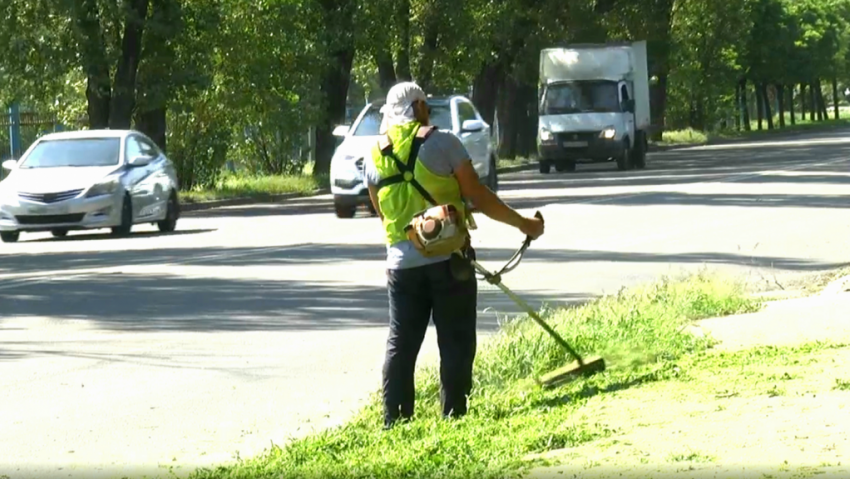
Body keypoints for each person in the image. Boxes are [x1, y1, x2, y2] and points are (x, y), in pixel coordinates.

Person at [363, 81, 545, 429]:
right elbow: (478, 195)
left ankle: (395, 422)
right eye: (425, 105)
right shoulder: (443, 142)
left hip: (401, 266)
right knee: (456, 339)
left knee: (401, 342)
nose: (428, 110)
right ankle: (454, 417)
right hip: (450, 262)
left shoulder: (373, 155)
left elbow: (382, 213)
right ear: (417, 108)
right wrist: (525, 224)